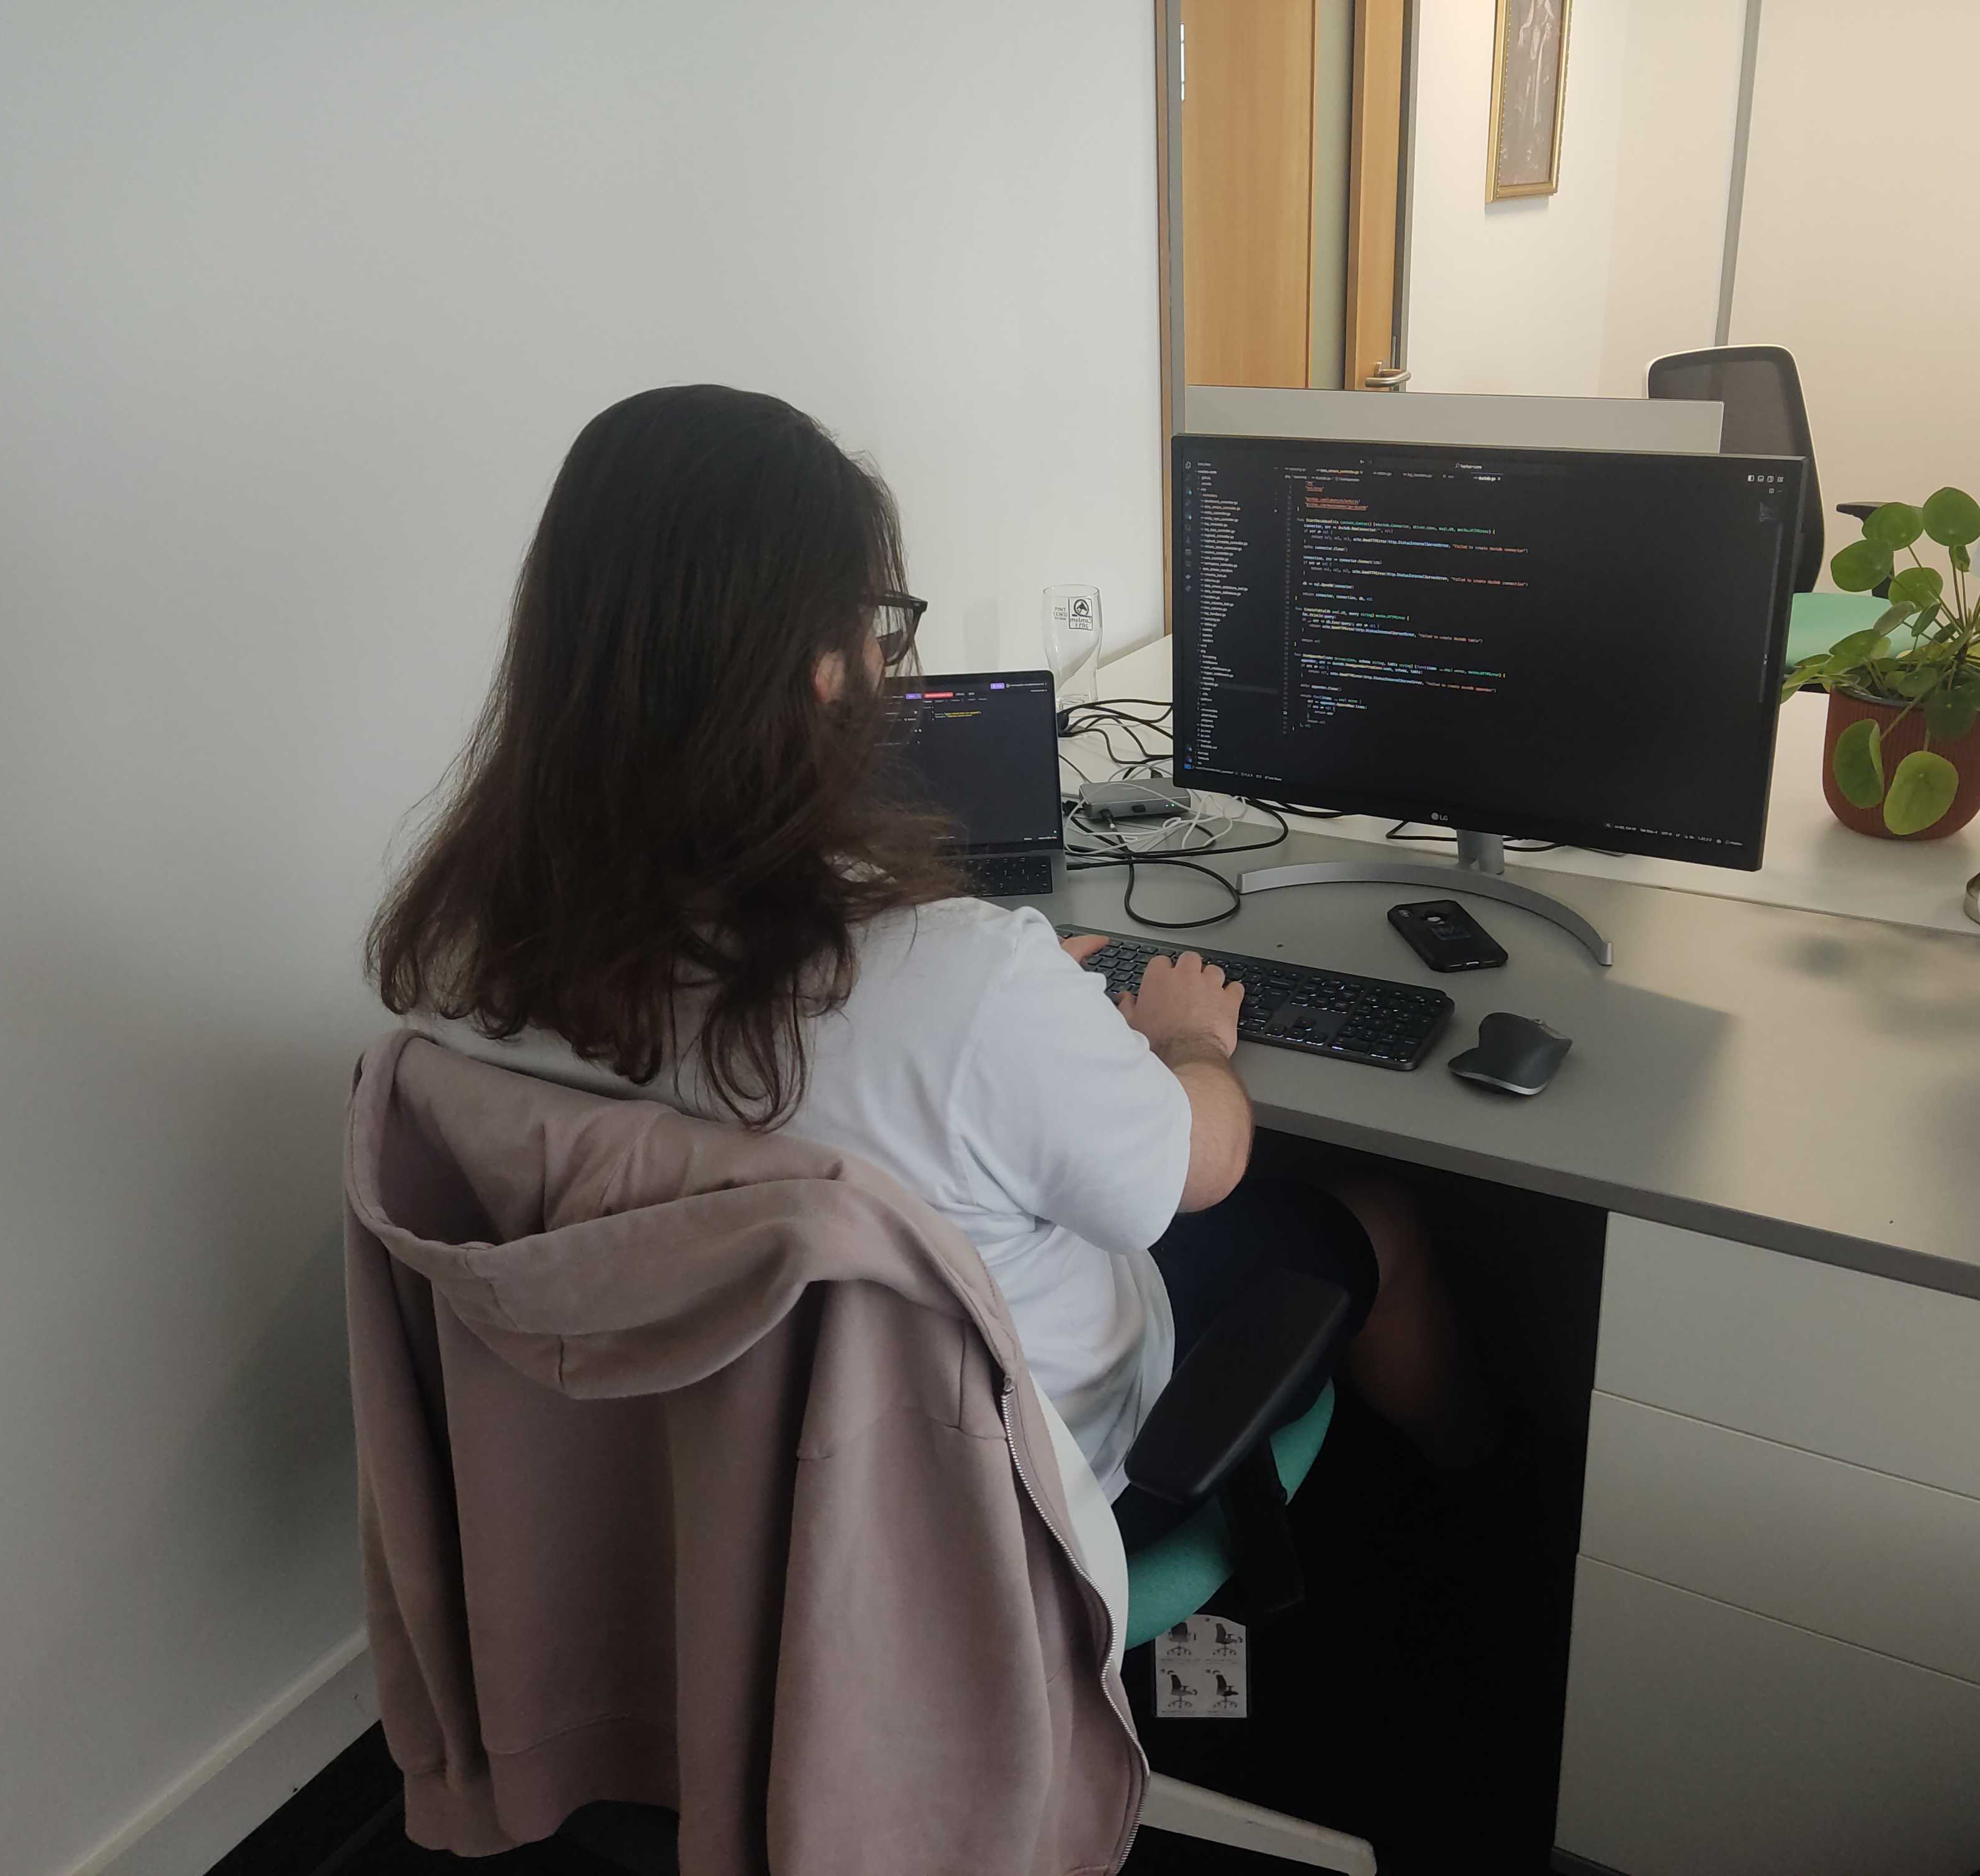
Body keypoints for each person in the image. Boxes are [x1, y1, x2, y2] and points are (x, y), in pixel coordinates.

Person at [369, 385, 1490, 1533]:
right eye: (875, 623)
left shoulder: (461, 954)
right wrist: (1187, 1043)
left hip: (687, 1484)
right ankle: (1488, 1496)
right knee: (1383, 1224)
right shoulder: (958, 983)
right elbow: (1189, 1176)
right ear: (818, 666)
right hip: (1012, 1499)